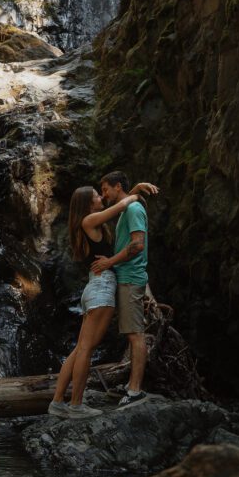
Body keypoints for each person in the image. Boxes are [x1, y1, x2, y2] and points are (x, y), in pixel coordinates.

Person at [48, 180, 158, 419]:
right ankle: (76, 405)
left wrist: (134, 191)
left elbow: (116, 209)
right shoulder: (88, 220)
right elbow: (120, 207)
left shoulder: (90, 224)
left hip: (95, 287)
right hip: (102, 287)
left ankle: (57, 402)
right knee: (86, 349)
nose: (102, 197)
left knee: (80, 349)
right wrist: (135, 194)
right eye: (98, 195)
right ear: (88, 203)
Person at [91, 171, 150, 408]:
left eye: (105, 189)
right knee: (131, 333)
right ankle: (131, 386)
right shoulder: (128, 208)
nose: (104, 195)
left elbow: (137, 245)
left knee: (136, 334)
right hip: (126, 277)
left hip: (130, 278)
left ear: (117, 187)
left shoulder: (134, 210)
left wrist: (109, 262)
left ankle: (135, 390)